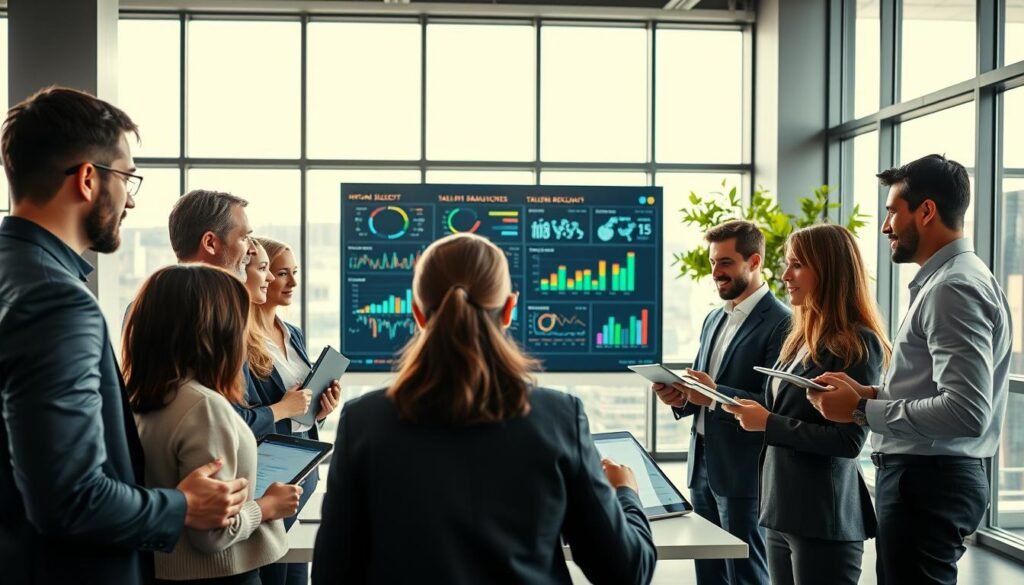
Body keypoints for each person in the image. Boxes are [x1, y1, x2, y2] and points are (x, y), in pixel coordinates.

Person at [0, 86, 248, 584]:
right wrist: (182, 505)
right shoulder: (57, 300)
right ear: (89, 179)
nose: (130, 201)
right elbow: (69, 498)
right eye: (127, 178)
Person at [311, 233, 656, 585]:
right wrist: (626, 493)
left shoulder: (363, 421)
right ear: (509, 309)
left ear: (417, 314)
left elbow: (331, 574)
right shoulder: (559, 417)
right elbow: (627, 572)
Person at [811, 154, 1012, 585]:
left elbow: (965, 411)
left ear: (926, 211)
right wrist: (867, 395)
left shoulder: (953, 287)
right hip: (927, 480)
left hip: (928, 483)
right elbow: (937, 390)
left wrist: (864, 413)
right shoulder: (952, 280)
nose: (885, 226)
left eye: (891, 212)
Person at [721, 224, 890, 585]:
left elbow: (847, 442)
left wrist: (768, 424)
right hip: (781, 508)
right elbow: (782, 410)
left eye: (797, 265)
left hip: (821, 515)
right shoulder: (799, 338)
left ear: (827, 271)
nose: (785, 276)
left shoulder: (857, 343)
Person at [125, 264, 303, 584]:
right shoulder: (204, 407)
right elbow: (213, 534)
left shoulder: (143, 397)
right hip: (222, 576)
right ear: (217, 330)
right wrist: (267, 506)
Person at [651, 220, 789, 585]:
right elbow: (702, 386)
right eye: (713, 262)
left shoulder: (781, 323)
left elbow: (775, 403)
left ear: (754, 261)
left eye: (725, 262)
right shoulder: (715, 318)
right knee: (708, 571)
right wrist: (679, 397)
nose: (716, 272)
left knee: (745, 572)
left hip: (743, 469)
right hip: (702, 464)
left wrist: (714, 397)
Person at [246, 237, 340, 585]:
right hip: (267, 477)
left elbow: (301, 407)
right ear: (264, 275)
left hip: (303, 476)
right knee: (270, 571)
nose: (292, 283)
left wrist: (320, 410)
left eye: (294, 273)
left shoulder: (293, 332)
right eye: (282, 273)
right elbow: (245, 414)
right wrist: (285, 408)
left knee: (296, 576)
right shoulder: (241, 338)